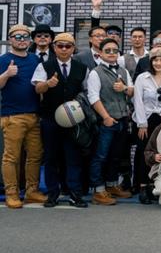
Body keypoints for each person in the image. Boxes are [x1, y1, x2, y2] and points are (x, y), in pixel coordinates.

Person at [30, 32, 86, 208]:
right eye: (60, 46)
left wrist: (79, 101)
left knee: (73, 157)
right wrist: (47, 84)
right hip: (50, 118)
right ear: (54, 47)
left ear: (73, 49)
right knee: (51, 157)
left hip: (73, 119)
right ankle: (52, 193)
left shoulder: (81, 67)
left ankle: (74, 194)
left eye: (67, 46)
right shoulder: (45, 66)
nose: (63, 49)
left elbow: (87, 91)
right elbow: (37, 88)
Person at [87, 38, 134, 205]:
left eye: (115, 50)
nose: (112, 53)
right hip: (106, 121)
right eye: (108, 50)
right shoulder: (95, 72)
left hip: (122, 120)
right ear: (100, 53)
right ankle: (98, 191)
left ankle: (112, 185)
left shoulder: (123, 71)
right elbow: (93, 97)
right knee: (100, 156)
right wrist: (106, 117)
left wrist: (125, 89)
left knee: (116, 156)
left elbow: (132, 91)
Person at [132, 47, 161, 204]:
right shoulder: (142, 78)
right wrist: (142, 123)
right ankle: (142, 187)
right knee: (144, 153)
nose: (159, 63)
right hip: (146, 119)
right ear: (151, 61)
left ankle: (154, 185)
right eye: (156, 60)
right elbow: (137, 101)